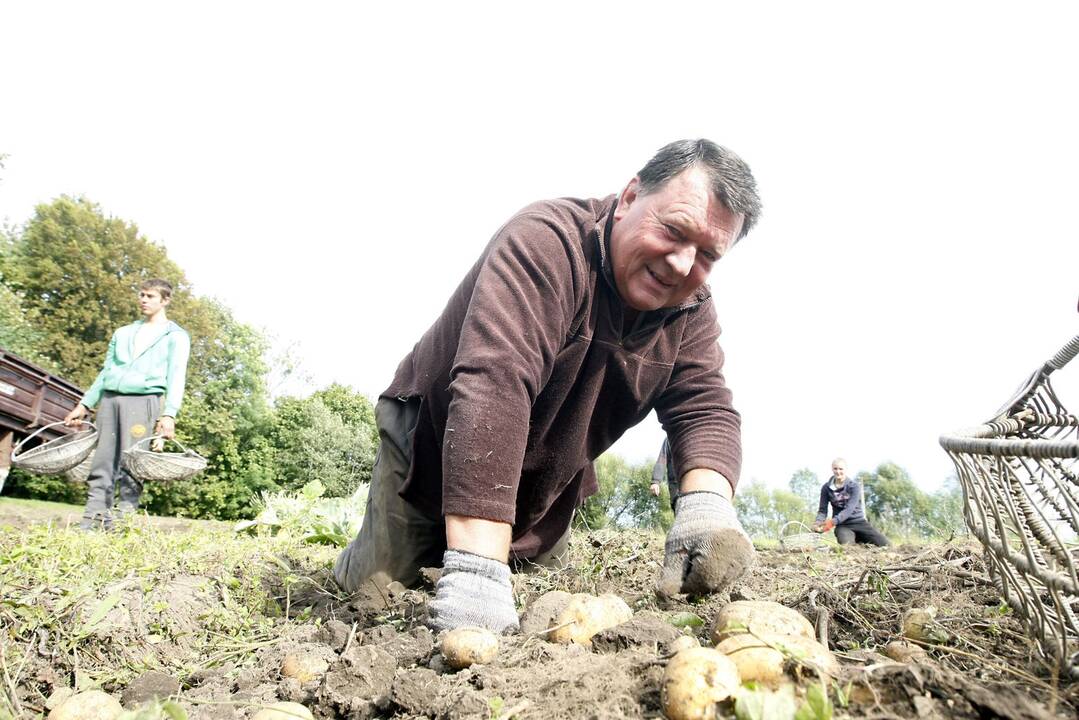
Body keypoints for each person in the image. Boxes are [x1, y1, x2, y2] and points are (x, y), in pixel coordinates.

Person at [334, 139, 762, 633]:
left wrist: (706, 505)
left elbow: (704, 408)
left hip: (545, 472)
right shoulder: (549, 243)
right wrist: (476, 572)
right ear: (628, 199)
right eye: (673, 230)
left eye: (707, 253)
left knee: (535, 599)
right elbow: (494, 385)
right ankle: (375, 559)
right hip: (433, 438)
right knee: (382, 593)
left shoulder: (689, 311)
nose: (682, 264)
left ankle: (489, 548)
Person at [64, 279, 191, 530]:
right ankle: (92, 521)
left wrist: (169, 414)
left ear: (165, 300)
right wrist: (85, 404)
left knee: (131, 461)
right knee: (102, 461)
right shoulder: (122, 333)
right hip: (111, 401)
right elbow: (106, 371)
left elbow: (177, 376)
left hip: (143, 402)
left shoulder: (175, 337)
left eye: (151, 296)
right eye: (142, 294)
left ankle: (123, 523)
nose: (144, 300)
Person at [812, 458, 889, 546]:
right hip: (843, 525)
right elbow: (822, 510)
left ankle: (861, 540)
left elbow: (849, 509)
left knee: (886, 544)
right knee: (847, 546)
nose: (838, 471)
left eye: (841, 469)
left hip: (859, 522)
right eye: (835, 469)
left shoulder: (854, 486)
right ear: (832, 469)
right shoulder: (826, 488)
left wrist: (832, 522)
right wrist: (818, 523)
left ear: (846, 470)